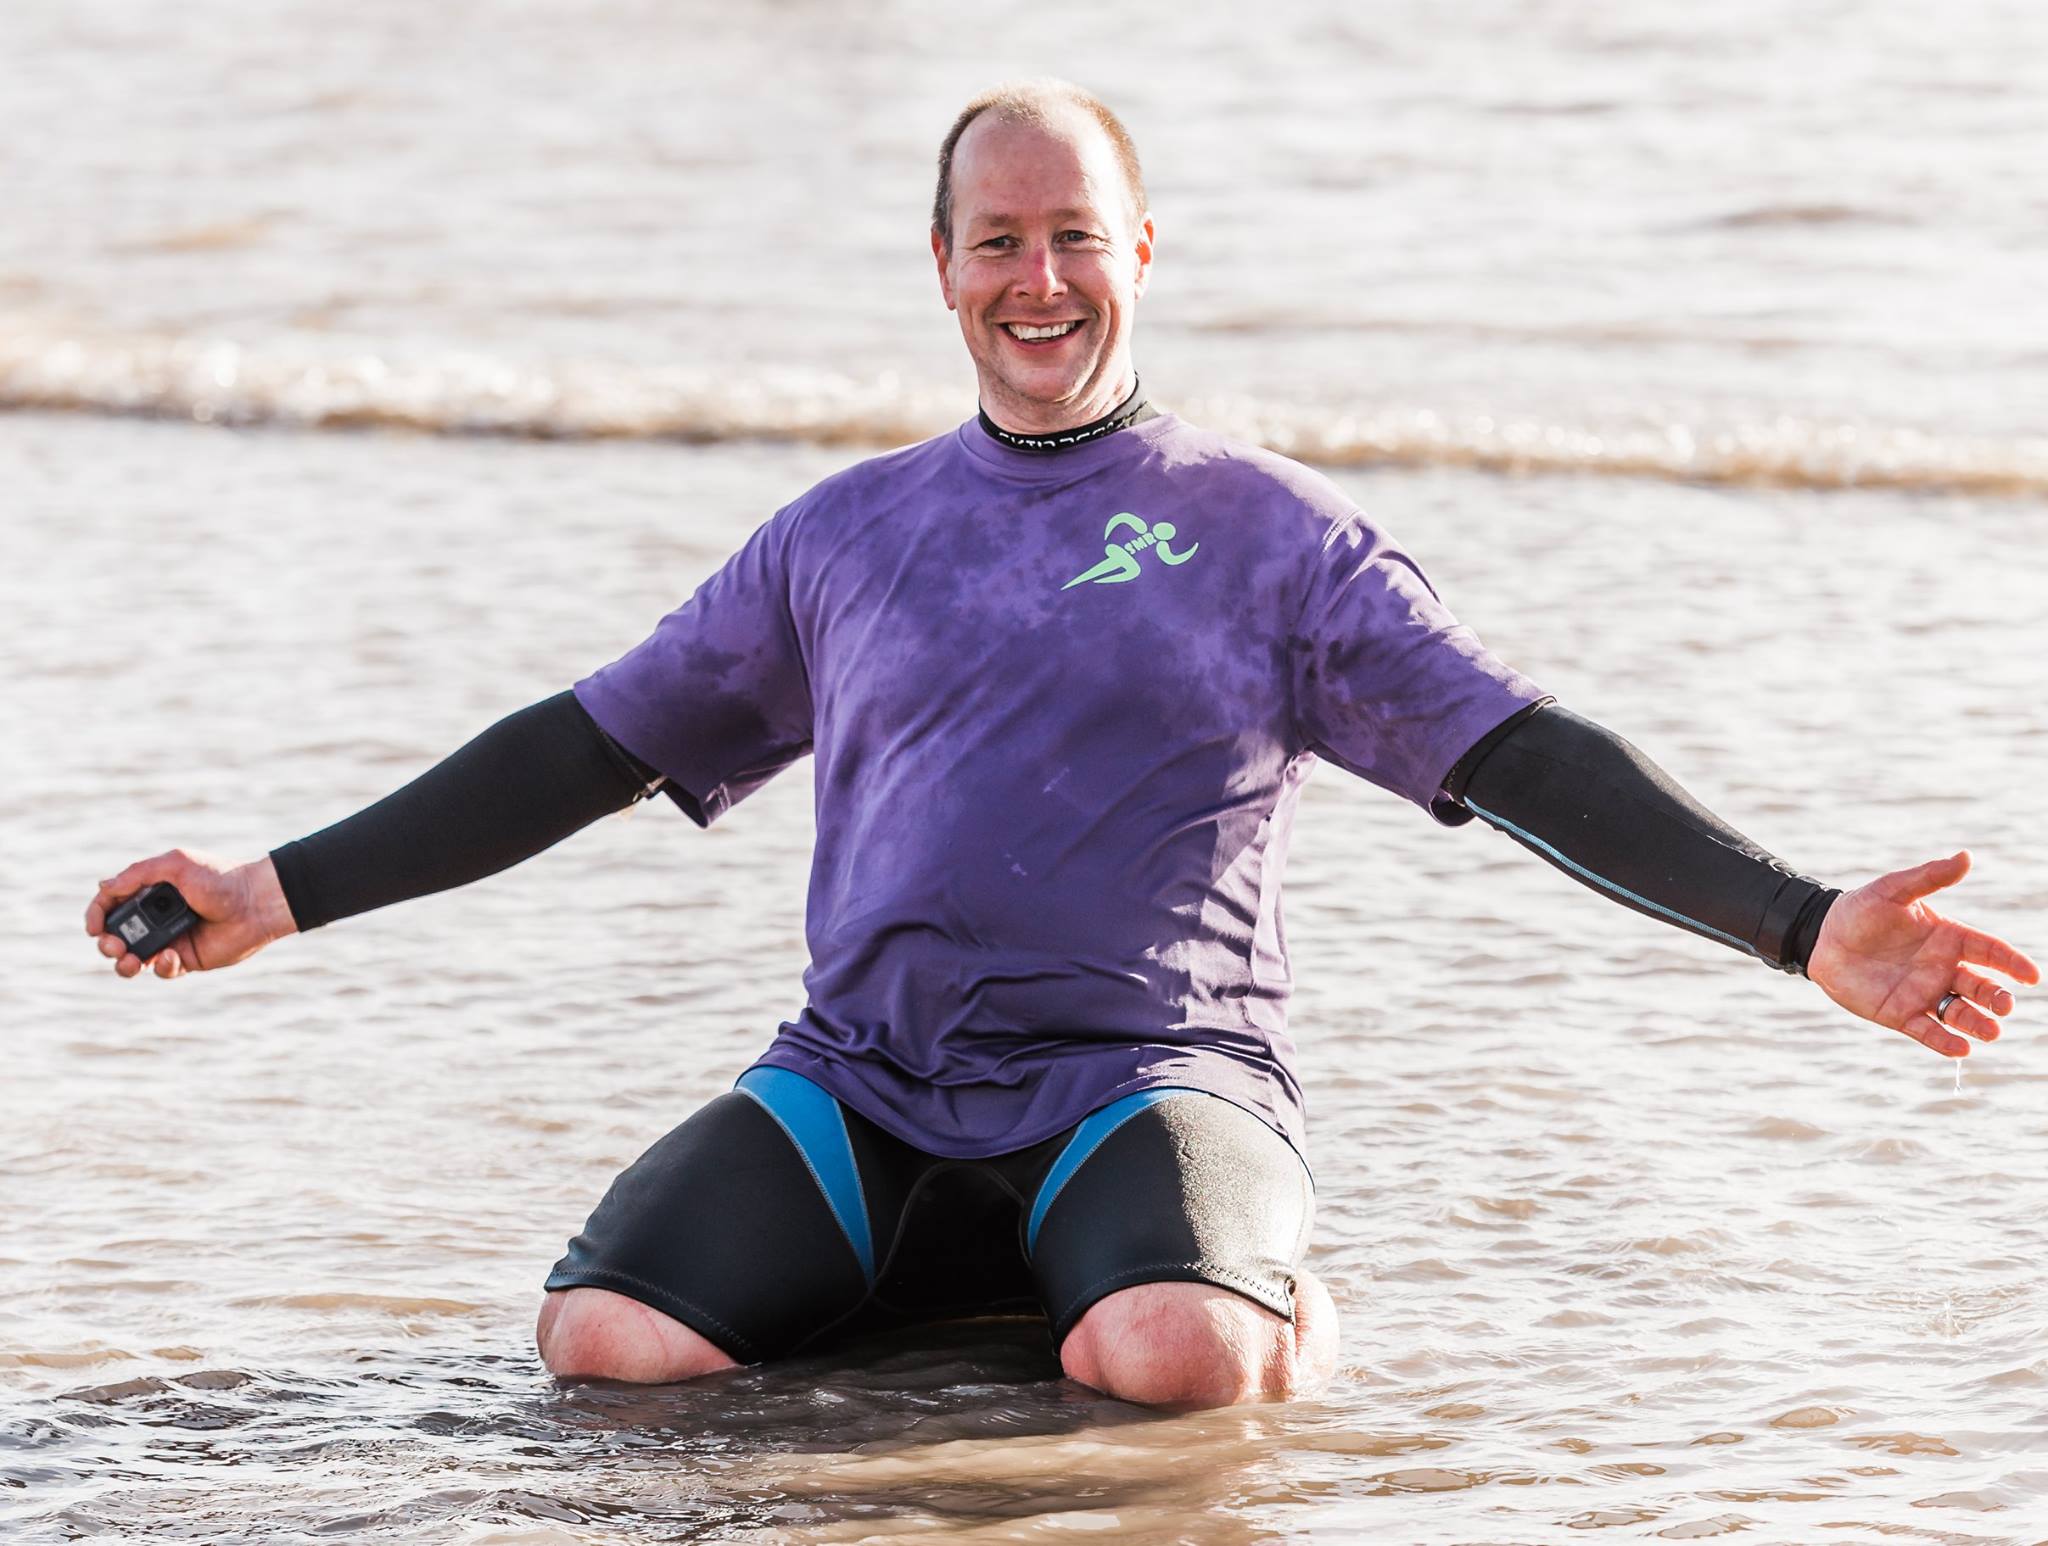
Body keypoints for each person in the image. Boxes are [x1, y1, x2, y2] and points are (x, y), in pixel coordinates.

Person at [85, 81, 2038, 1410]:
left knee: (1179, 1357)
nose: (1039, 282)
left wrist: (1799, 926)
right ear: (940, 265)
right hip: (868, 1083)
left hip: (1151, 1073)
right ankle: (971, 1276)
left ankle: (1231, 1288)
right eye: (998, 240)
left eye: (1074, 238)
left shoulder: (1274, 535)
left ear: (1141, 251)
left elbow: (1520, 754)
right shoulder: (840, 538)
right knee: (603, 1346)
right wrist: (275, 892)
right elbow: (583, 746)